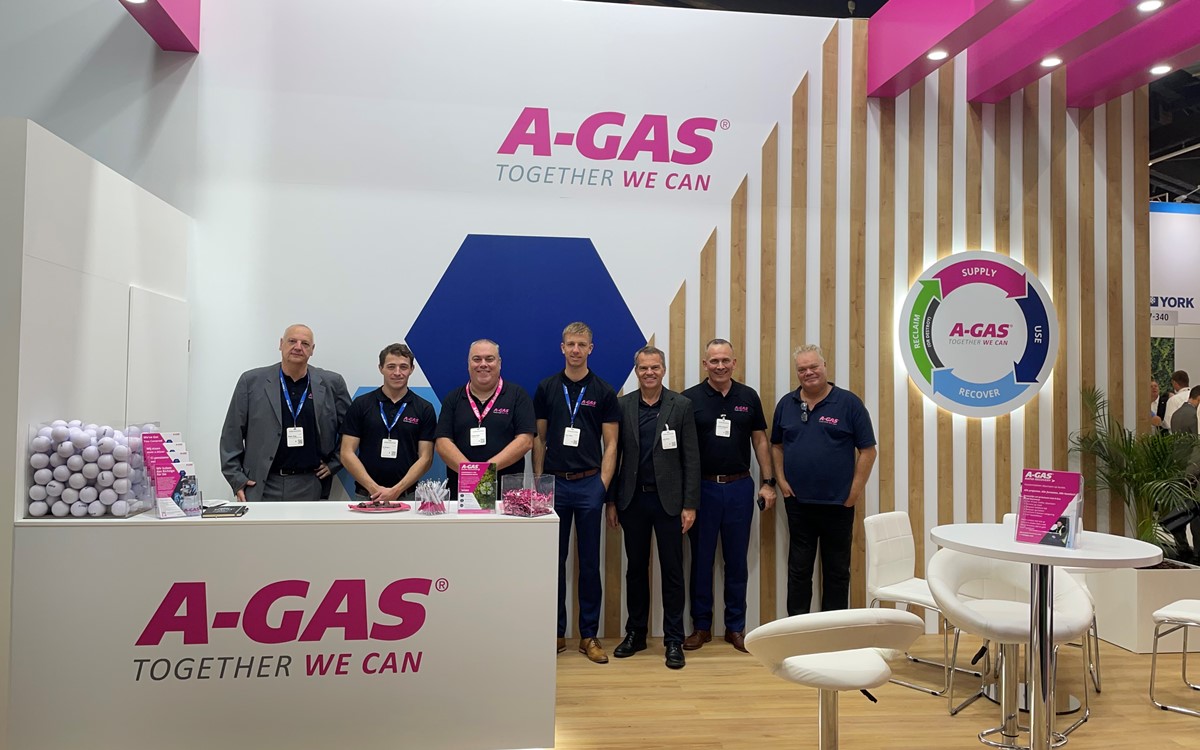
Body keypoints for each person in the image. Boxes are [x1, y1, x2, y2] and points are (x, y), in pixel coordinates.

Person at [680, 339, 776, 653]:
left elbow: (760, 441)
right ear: (704, 364)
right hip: (703, 490)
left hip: (739, 488)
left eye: (725, 360)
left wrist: (768, 481)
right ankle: (701, 627)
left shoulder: (748, 397)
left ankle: (735, 627)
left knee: (736, 561)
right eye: (713, 361)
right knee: (701, 561)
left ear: (734, 362)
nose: (719, 366)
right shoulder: (689, 400)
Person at [533, 322, 620, 664]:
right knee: (553, 563)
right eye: (570, 343)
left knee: (589, 565)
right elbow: (539, 438)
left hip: (589, 485)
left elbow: (612, 443)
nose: (575, 349)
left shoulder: (603, 390)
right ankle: (555, 632)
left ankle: (588, 635)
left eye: (582, 344)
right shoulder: (547, 388)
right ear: (562, 347)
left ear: (591, 349)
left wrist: (602, 485)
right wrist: (540, 481)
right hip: (553, 484)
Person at [608, 345, 699, 669]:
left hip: (670, 502)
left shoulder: (681, 405)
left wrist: (690, 504)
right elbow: (614, 456)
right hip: (633, 500)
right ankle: (636, 633)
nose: (649, 373)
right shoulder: (622, 405)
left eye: (655, 368)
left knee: (673, 571)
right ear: (636, 371)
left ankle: (674, 639)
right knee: (636, 570)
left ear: (663, 369)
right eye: (643, 368)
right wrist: (613, 501)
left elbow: (691, 458)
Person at [771, 344, 876, 615]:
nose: (809, 373)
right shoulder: (786, 404)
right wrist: (781, 481)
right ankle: (797, 633)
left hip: (838, 505)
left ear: (825, 367)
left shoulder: (848, 403)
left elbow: (868, 450)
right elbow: (777, 446)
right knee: (798, 573)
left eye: (813, 367)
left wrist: (853, 492)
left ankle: (833, 635)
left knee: (837, 573)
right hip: (798, 504)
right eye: (802, 369)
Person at [219, 324, 351, 502]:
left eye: (305, 343)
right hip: (262, 485)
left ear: (312, 350)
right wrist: (236, 479)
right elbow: (231, 434)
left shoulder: (332, 383)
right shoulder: (251, 382)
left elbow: (351, 431)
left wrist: (335, 463)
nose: (298, 347)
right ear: (281, 344)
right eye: (292, 341)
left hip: (310, 484)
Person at [340, 343, 437, 503]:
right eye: (391, 366)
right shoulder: (361, 404)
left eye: (403, 367)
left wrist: (396, 490)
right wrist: (374, 489)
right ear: (381, 368)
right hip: (366, 495)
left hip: (408, 496)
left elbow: (426, 458)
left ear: (412, 369)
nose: (397, 373)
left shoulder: (424, 408)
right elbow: (346, 452)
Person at [435, 339, 536, 489]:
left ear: (499, 363)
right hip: (463, 490)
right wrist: (469, 473)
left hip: (507, 492)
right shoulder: (453, 399)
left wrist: (487, 470)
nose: (483, 364)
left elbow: (525, 441)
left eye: (490, 359)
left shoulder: (517, 396)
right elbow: (442, 443)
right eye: (477, 359)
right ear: (468, 363)